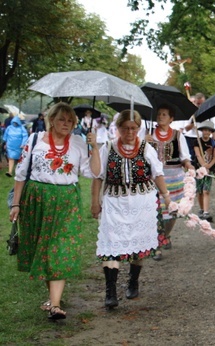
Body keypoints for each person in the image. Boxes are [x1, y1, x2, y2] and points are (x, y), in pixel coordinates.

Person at [9, 102, 100, 320]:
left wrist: (94, 147)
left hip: (66, 200)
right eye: (62, 119)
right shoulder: (34, 140)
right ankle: (53, 297)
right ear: (52, 120)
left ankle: (56, 305)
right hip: (36, 199)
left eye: (70, 121)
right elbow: (21, 174)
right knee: (41, 249)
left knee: (59, 249)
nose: (66, 124)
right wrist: (16, 204)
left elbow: (95, 172)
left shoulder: (78, 143)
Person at [91, 109, 172, 309]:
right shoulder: (108, 147)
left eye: (133, 128)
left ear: (138, 128)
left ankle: (133, 281)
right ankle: (110, 291)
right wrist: (95, 202)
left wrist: (167, 197)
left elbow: (157, 174)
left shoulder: (146, 148)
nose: (129, 132)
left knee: (138, 243)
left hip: (141, 202)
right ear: (118, 128)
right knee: (112, 245)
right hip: (114, 202)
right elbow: (98, 176)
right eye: (125, 128)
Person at [146, 105, 193, 261]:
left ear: (171, 118)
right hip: (153, 178)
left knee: (172, 212)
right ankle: (156, 244)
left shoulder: (178, 135)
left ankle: (166, 235)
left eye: (164, 114)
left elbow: (184, 157)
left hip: (174, 178)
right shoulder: (148, 134)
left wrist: (189, 165)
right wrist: (143, 143)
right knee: (155, 211)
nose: (160, 116)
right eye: (159, 114)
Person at [193, 121, 215, 221]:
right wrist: (204, 166)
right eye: (204, 130)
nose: (206, 132)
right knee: (199, 191)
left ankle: (206, 212)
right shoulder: (197, 142)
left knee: (206, 190)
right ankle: (201, 209)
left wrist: (209, 166)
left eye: (208, 130)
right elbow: (198, 155)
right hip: (199, 169)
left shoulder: (214, 142)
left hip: (210, 170)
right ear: (201, 131)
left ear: (211, 132)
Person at [183, 93, 206, 164]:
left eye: (202, 104)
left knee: (203, 158)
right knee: (192, 158)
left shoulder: (207, 112)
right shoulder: (190, 113)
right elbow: (186, 128)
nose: (200, 106)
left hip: (203, 138)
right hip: (191, 138)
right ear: (195, 103)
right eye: (198, 104)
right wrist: (193, 123)